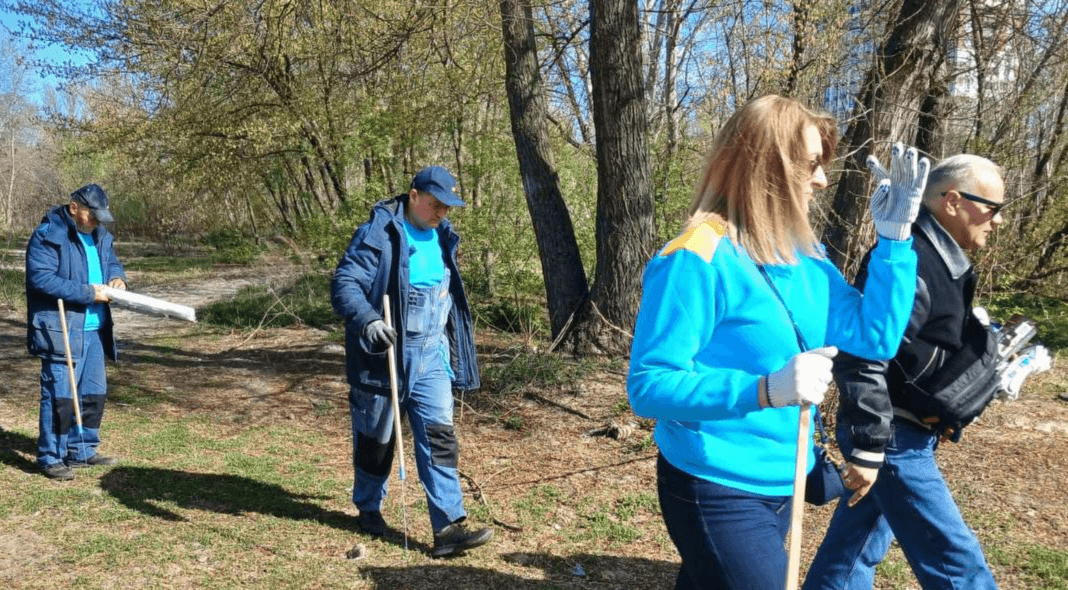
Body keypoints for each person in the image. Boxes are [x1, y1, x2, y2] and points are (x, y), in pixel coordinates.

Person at [626, 95, 927, 589]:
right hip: (714, 483)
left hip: (784, 478)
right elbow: (649, 385)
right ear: (766, 166)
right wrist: (764, 389)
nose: (823, 180)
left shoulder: (805, 255)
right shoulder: (696, 258)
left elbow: (874, 337)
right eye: (811, 165)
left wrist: (894, 242)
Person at [804, 155, 1007, 590]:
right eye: (993, 208)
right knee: (957, 561)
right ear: (953, 201)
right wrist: (871, 444)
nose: (997, 221)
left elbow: (920, 349)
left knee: (856, 547)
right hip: (892, 437)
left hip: (907, 431)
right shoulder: (910, 259)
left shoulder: (944, 258)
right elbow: (863, 356)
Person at [330, 165, 492, 558]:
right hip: (383, 357)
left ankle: (448, 526)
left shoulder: (443, 236)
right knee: (376, 441)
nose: (441, 213)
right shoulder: (380, 234)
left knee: (439, 439)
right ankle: (368, 508)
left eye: (447, 207)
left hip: (431, 357)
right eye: (435, 204)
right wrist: (367, 320)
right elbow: (344, 283)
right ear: (414, 195)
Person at [25, 183, 128, 481]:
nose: (96, 221)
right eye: (92, 215)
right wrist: (87, 293)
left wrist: (117, 277)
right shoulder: (49, 234)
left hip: (96, 329)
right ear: (74, 208)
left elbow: (111, 262)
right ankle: (51, 456)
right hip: (61, 327)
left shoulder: (100, 235)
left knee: (94, 392)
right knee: (60, 394)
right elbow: (41, 279)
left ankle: (82, 449)